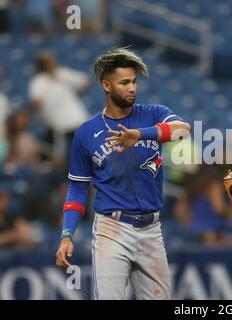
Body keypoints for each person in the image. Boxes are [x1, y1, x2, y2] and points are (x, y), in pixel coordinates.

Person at [55, 47, 191, 300]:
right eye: (125, 82)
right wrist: (67, 234)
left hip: (151, 228)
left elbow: (183, 130)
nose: (132, 88)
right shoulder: (86, 133)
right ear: (106, 85)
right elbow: (77, 188)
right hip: (112, 229)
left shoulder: (153, 114)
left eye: (134, 82)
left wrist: (141, 134)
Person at [28, 50, 91, 163]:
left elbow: (36, 102)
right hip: (67, 123)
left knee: (68, 158)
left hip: (67, 123)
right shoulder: (45, 79)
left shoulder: (57, 75)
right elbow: (86, 82)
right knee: (71, 157)